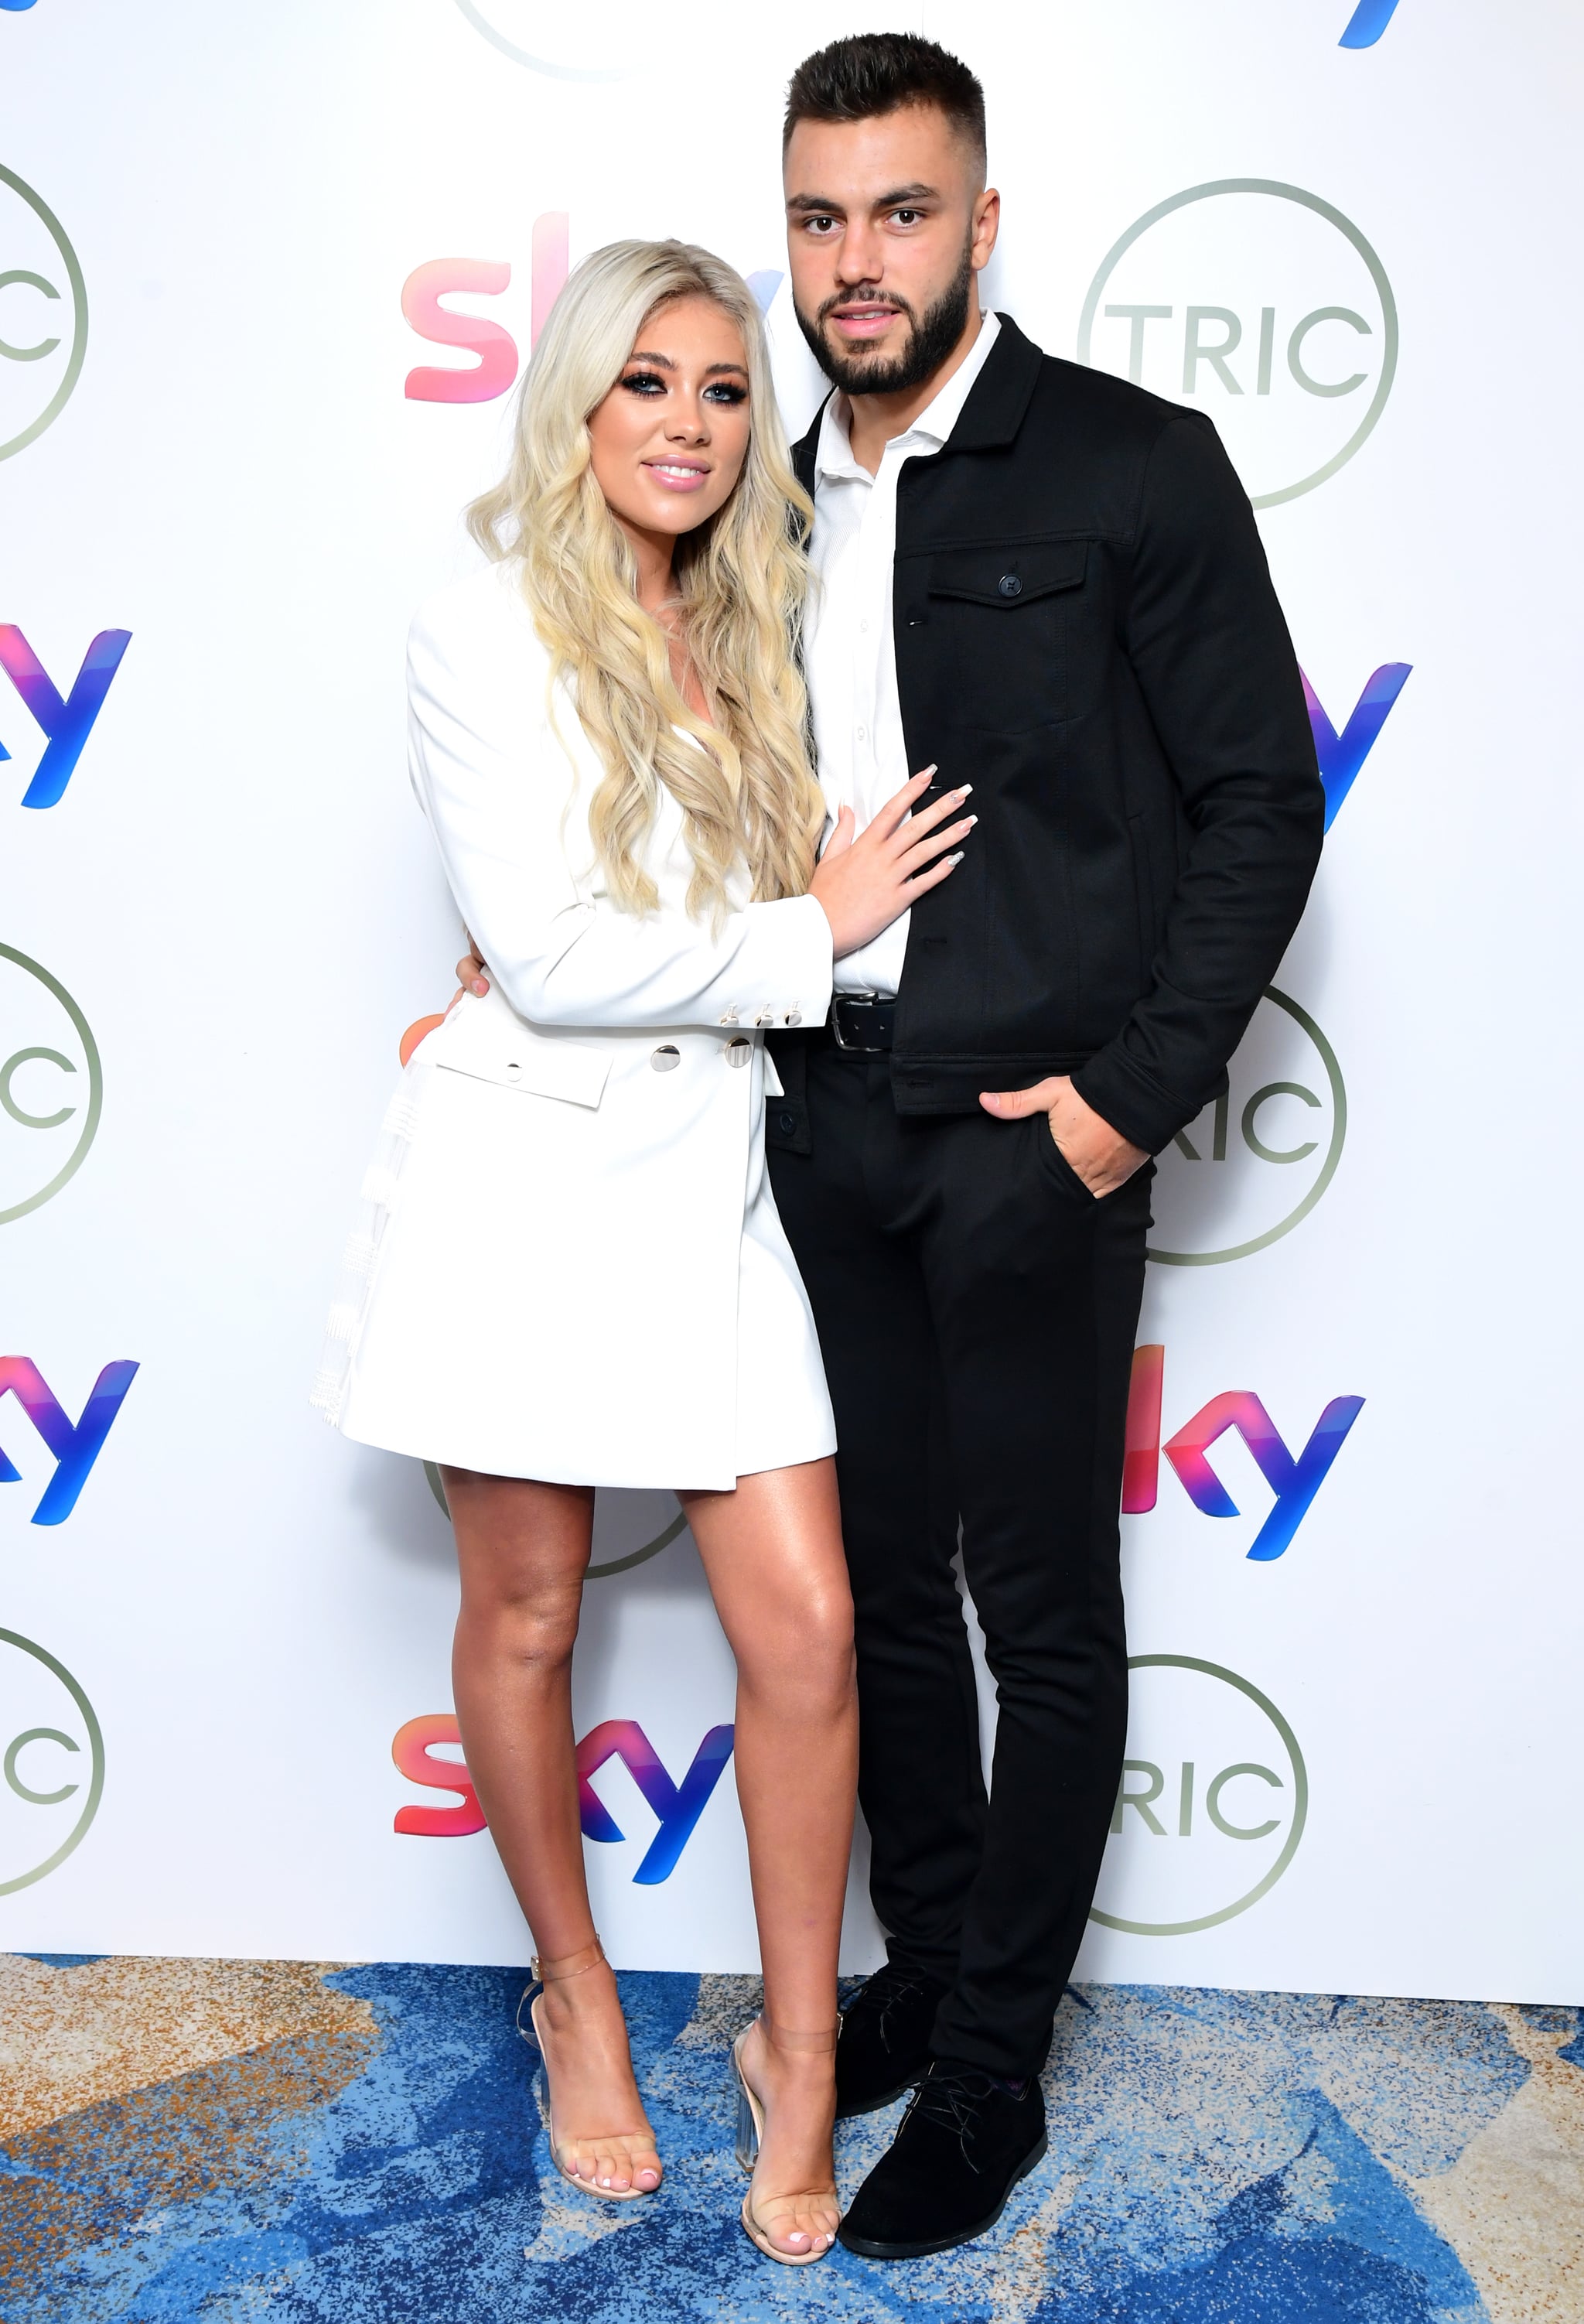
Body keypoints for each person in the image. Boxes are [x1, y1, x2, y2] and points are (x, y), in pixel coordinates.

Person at [453, 28, 1326, 2268]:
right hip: (811, 1132)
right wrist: (505, 969)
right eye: (822, 219)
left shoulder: (1135, 464)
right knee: (881, 1622)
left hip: (1033, 1142)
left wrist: (1125, 1107)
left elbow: (1262, 803)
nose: (859, 263)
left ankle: (1001, 2060)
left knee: (1036, 1606)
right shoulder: (750, 484)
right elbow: (626, 786)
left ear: (984, 222)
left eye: (904, 214)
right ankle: (918, 1971)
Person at [312, 238, 974, 2264]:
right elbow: (553, 955)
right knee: (523, 1613)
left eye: (717, 389)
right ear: (579, 406)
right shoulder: (484, 620)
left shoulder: (755, 621)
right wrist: (819, 927)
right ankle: (576, 1995)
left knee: (803, 1623)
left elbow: (670, 939)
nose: (688, 425)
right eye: (648, 385)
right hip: (529, 1186)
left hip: (708, 1186)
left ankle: (794, 2041)